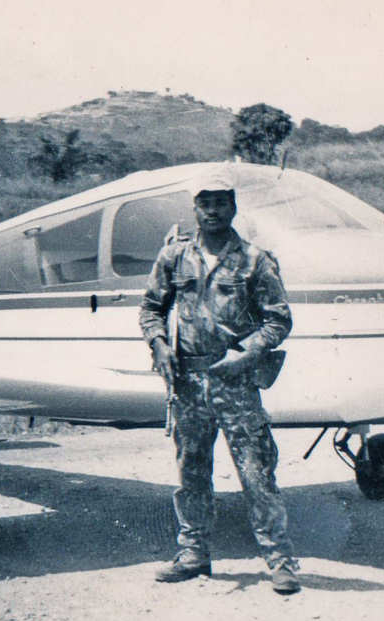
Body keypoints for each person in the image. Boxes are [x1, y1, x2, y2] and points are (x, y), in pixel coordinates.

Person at [139, 165, 300, 595]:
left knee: (257, 472)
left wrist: (246, 353)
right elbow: (151, 309)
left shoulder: (255, 260)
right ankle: (193, 553)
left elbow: (278, 320)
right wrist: (159, 345)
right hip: (188, 383)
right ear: (194, 209)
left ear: (233, 207)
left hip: (236, 382)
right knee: (191, 472)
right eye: (204, 203)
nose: (212, 210)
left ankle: (280, 560)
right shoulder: (174, 257)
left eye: (220, 203)